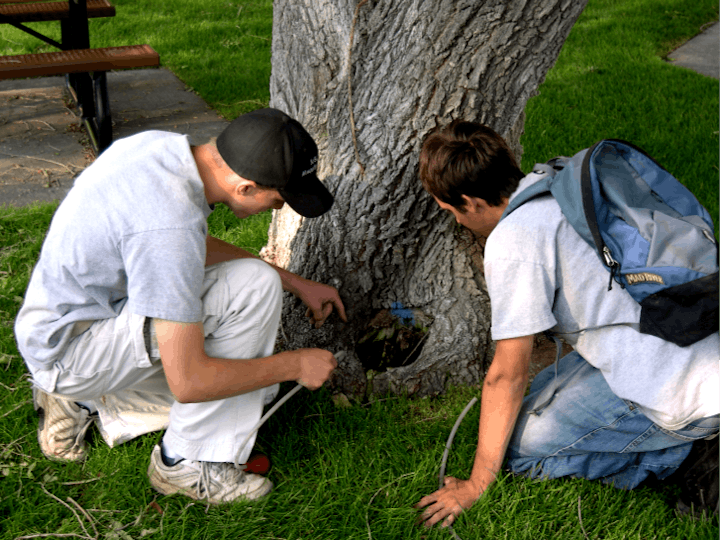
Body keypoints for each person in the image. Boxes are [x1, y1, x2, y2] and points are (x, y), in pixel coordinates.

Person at [15, 107, 347, 504]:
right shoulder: (168, 229)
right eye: (277, 201)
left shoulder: (162, 152)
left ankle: (86, 402)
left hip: (64, 326)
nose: (277, 211)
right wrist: (296, 364)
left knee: (253, 391)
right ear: (244, 187)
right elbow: (189, 382)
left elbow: (192, 248)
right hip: (69, 353)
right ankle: (186, 463)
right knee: (252, 309)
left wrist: (295, 283)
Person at [415, 120, 719, 527]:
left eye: (450, 211)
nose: (456, 222)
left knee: (518, 450)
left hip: (686, 395)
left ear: (470, 202)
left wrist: (476, 483)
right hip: (692, 333)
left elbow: (507, 374)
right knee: (535, 399)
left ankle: (690, 454)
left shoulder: (512, 242)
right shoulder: (559, 182)